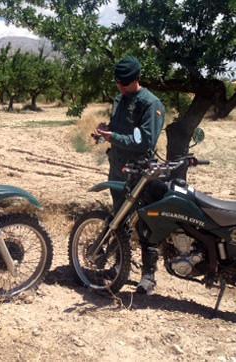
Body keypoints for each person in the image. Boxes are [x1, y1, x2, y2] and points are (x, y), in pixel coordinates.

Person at [93, 55, 165, 295]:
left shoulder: (150, 104)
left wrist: (113, 137)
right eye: (118, 83)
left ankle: (148, 276)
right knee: (119, 221)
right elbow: (121, 128)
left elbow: (144, 141)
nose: (121, 87)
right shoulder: (121, 98)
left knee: (146, 224)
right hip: (118, 170)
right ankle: (119, 265)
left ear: (136, 79)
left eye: (125, 83)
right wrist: (105, 131)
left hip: (141, 173)